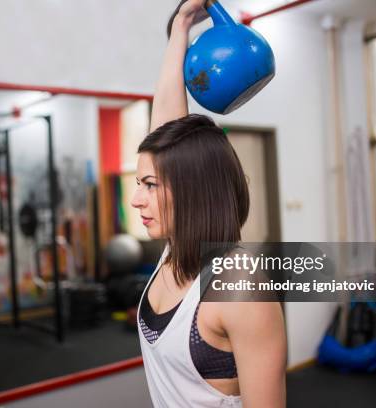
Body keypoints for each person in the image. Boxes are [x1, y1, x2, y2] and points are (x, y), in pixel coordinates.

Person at [130, 0, 287, 406]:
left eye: (149, 185)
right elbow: (167, 127)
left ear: (191, 190)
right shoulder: (176, 252)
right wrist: (181, 24)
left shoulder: (238, 288)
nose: (136, 199)